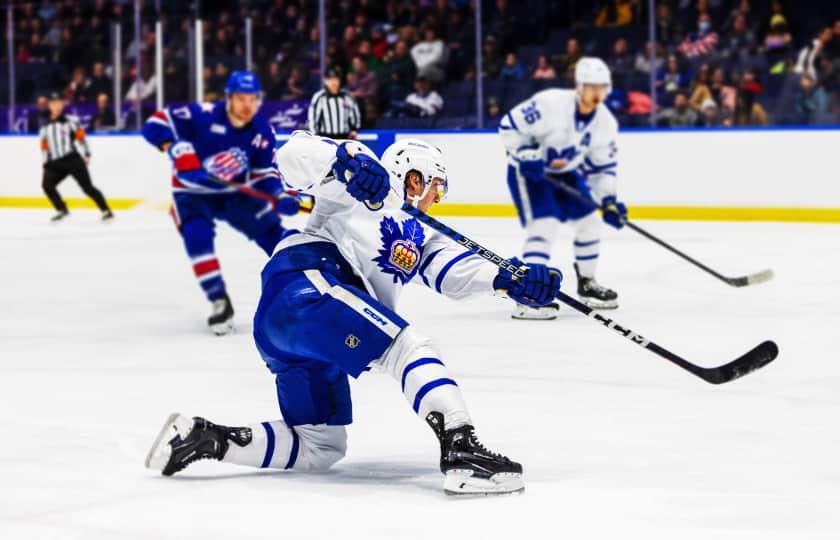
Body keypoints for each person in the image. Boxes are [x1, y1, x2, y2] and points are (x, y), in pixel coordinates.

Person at [145, 133, 563, 496]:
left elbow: (454, 271)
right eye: (437, 186)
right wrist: (344, 162)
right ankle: (461, 446)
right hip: (307, 285)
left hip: (301, 327)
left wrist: (512, 279)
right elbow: (290, 155)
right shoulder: (360, 172)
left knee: (320, 446)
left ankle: (203, 438)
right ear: (414, 178)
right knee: (406, 346)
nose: (439, 197)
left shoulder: (422, 233)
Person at [141, 71, 301, 335]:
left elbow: (265, 174)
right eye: (241, 98)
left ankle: (305, 286)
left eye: (253, 99)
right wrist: (174, 148)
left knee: (274, 235)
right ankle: (219, 300)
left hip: (234, 194)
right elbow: (154, 125)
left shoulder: (262, 131)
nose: (247, 105)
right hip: (192, 193)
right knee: (197, 236)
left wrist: (279, 195)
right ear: (229, 98)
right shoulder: (200, 115)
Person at [498, 57, 626, 318]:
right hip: (529, 172)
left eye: (601, 87)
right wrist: (525, 152)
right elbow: (509, 126)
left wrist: (609, 199)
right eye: (591, 87)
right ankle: (529, 293)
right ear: (579, 86)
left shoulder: (606, 123)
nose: (596, 93)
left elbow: (602, 168)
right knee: (544, 225)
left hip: (565, 173)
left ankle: (587, 283)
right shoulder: (550, 104)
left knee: (590, 221)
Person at [39, 92, 113, 222]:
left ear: (62, 104)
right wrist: (45, 164)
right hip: (56, 162)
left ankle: (106, 210)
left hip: (72, 159)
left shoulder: (71, 121)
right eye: (53, 104)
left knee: (87, 187)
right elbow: (44, 147)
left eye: (58, 103)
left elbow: (81, 138)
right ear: (50, 106)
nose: (56, 106)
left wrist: (87, 153)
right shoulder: (44, 127)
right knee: (47, 185)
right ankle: (62, 209)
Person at [308, 67, 361, 139]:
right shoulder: (319, 97)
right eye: (329, 79)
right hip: (325, 139)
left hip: (344, 138)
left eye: (335, 79)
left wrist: (355, 130)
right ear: (325, 81)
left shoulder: (347, 96)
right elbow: (312, 119)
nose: (333, 82)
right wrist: (316, 137)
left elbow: (355, 115)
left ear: (339, 80)